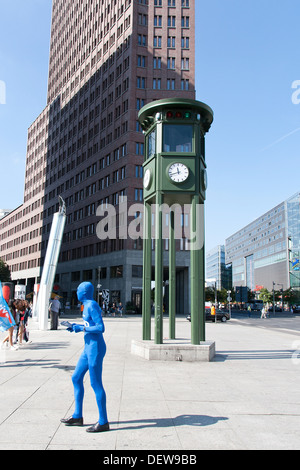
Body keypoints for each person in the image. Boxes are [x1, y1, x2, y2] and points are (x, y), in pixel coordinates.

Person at [61, 282, 109, 433]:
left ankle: (103, 421)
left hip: (95, 348)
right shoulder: (85, 305)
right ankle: (77, 416)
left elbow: (101, 328)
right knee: (76, 378)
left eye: (79, 290)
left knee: (95, 384)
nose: (77, 292)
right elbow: (89, 324)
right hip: (87, 348)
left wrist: (81, 328)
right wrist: (75, 326)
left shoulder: (92, 305)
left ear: (84, 292)